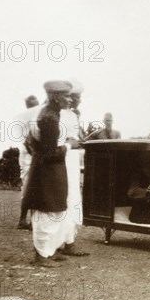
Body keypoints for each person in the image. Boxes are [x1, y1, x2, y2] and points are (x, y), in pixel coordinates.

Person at [22, 81, 86, 268]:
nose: (69, 99)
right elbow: (50, 154)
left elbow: (40, 145)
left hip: (50, 171)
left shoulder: (50, 114)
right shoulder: (49, 118)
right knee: (47, 212)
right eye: (66, 96)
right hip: (48, 172)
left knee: (54, 210)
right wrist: (68, 145)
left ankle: (47, 251)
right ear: (55, 97)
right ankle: (40, 256)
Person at [61, 80, 85, 236]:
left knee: (74, 197)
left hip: (73, 162)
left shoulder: (73, 115)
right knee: (65, 197)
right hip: (63, 160)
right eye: (77, 97)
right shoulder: (59, 114)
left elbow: (80, 137)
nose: (79, 100)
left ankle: (69, 241)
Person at [14, 95, 41, 230]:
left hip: (30, 153)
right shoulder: (27, 120)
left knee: (33, 187)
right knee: (28, 187)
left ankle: (29, 220)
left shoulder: (32, 119)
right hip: (27, 154)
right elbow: (27, 142)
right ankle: (23, 220)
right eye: (35, 105)